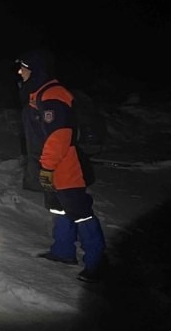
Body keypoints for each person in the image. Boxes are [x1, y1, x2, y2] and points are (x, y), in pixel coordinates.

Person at [16, 48, 107, 283]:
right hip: (49, 164)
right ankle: (63, 251)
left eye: (23, 68)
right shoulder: (38, 93)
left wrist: (47, 166)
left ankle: (97, 263)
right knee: (59, 208)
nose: (19, 72)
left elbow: (60, 134)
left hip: (64, 166)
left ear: (36, 70)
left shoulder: (53, 94)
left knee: (80, 212)